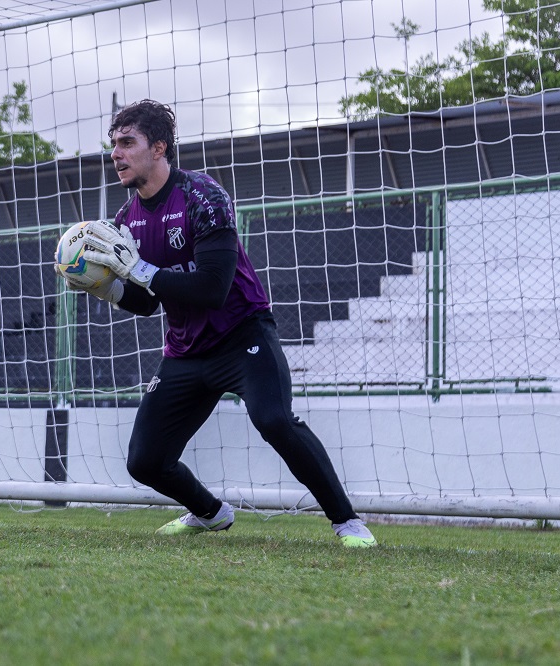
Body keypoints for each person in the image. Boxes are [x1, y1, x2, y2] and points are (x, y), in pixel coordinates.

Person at [59, 99, 376, 547]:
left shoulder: (203, 196)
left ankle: (347, 521)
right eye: (114, 144)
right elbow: (148, 303)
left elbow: (212, 288)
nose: (116, 153)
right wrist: (104, 289)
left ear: (159, 148)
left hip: (241, 336)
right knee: (144, 461)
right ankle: (210, 514)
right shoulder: (126, 221)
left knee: (274, 421)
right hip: (185, 352)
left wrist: (140, 270)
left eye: (128, 142)